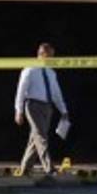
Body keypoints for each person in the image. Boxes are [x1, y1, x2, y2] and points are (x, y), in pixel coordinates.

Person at [14, 42, 69, 178]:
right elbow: (21, 91)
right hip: (33, 106)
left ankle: (25, 169)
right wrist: (19, 110)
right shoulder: (29, 70)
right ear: (42, 54)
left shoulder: (51, 73)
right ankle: (49, 168)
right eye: (50, 56)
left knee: (35, 139)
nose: (52, 59)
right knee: (41, 137)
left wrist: (63, 110)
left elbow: (56, 93)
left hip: (47, 107)